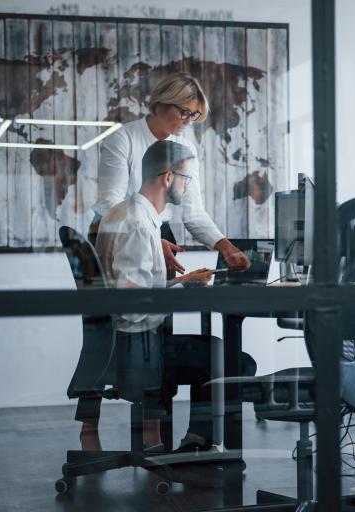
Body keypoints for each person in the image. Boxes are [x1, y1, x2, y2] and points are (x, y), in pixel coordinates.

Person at [83, 140, 256, 452]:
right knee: (236, 362)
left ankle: (194, 442)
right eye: (186, 178)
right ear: (167, 178)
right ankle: (197, 443)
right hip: (140, 351)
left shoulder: (123, 213)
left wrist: (178, 279)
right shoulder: (137, 224)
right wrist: (184, 282)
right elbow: (133, 305)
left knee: (216, 351)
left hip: (121, 345)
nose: (187, 186)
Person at [92, 72, 251, 274]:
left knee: (163, 301)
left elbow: (193, 212)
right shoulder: (123, 139)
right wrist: (150, 240)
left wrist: (226, 247)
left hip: (158, 232)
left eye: (193, 115)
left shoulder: (186, 149)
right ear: (159, 105)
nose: (188, 121)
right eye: (184, 112)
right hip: (116, 232)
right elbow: (111, 203)